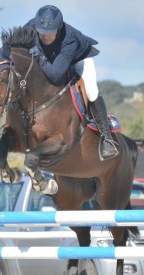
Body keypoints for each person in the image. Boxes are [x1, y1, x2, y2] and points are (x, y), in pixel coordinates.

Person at [25, 5, 118, 160]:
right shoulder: (30, 27)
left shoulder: (70, 39)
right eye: (42, 32)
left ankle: (106, 138)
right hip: (52, 57)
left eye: (49, 33)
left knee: (90, 90)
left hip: (78, 59)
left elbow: (55, 75)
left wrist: (39, 57)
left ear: (59, 28)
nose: (44, 36)